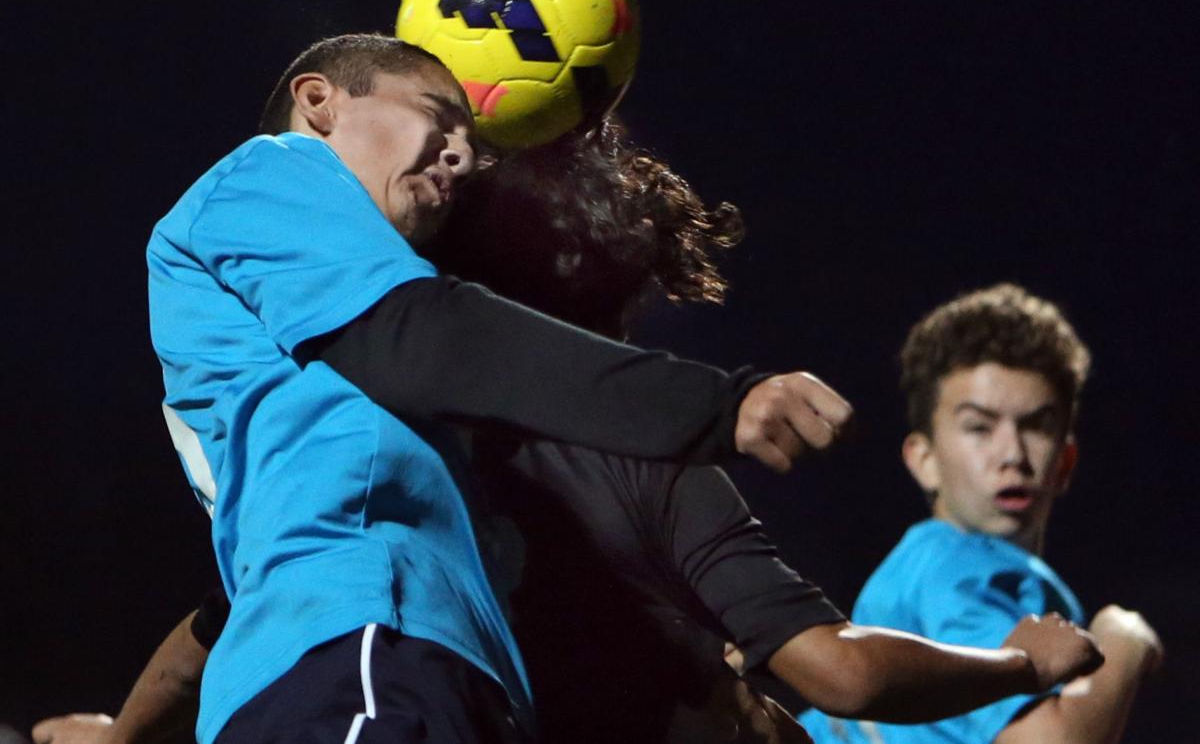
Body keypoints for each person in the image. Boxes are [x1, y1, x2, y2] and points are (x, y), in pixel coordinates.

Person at [35, 120, 1101, 743]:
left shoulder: (395, 436)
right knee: (1129, 646)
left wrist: (121, 732)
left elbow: (227, 616)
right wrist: (1017, 661)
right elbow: (843, 673)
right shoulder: (652, 461)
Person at [138, 32, 853, 744]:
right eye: (438, 116)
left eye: (470, 140)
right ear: (319, 102)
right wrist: (719, 405)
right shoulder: (268, 172)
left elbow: (221, 609)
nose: (461, 152)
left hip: (426, 676)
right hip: (363, 650)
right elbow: (431, 336)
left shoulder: (324, 361)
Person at [801, 283, 1163, 743]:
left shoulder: (928, 568)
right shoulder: (954, 570)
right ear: (923, 459)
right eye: (979, 427)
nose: (1011, 453)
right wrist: (1123, 636)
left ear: (1066, 461)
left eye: (1035, 425)